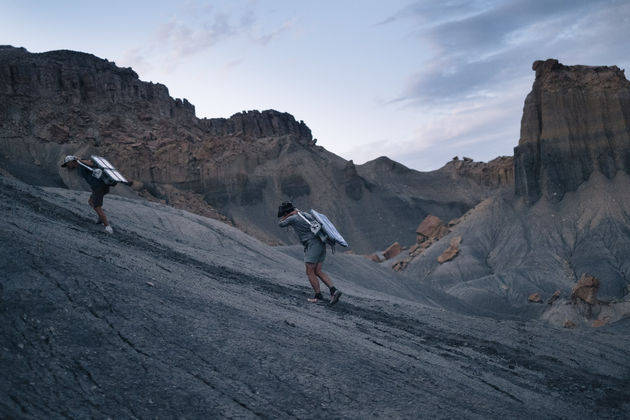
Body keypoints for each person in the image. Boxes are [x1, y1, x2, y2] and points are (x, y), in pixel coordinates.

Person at [277, 201, 342, 305]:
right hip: (321, 243)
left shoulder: (293, 218)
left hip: (312, 245)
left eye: (284, 213)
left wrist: (288, 215)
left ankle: (318, 296)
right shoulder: (304, 214)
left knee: (310, 271)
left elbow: (280, 224)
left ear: (286, 212)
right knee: (318, 271)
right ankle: (334, 291)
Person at [61, 155, 114, 234]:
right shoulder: (79, 166)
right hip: (98, 186)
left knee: (97, 206)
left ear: (71, 162)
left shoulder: (81, 163)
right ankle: (101, 218)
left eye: (67, 164)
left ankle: (108, 227)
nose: (67, 166)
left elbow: (92, 163)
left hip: (99, 186)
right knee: (91, 201)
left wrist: (79, 160)